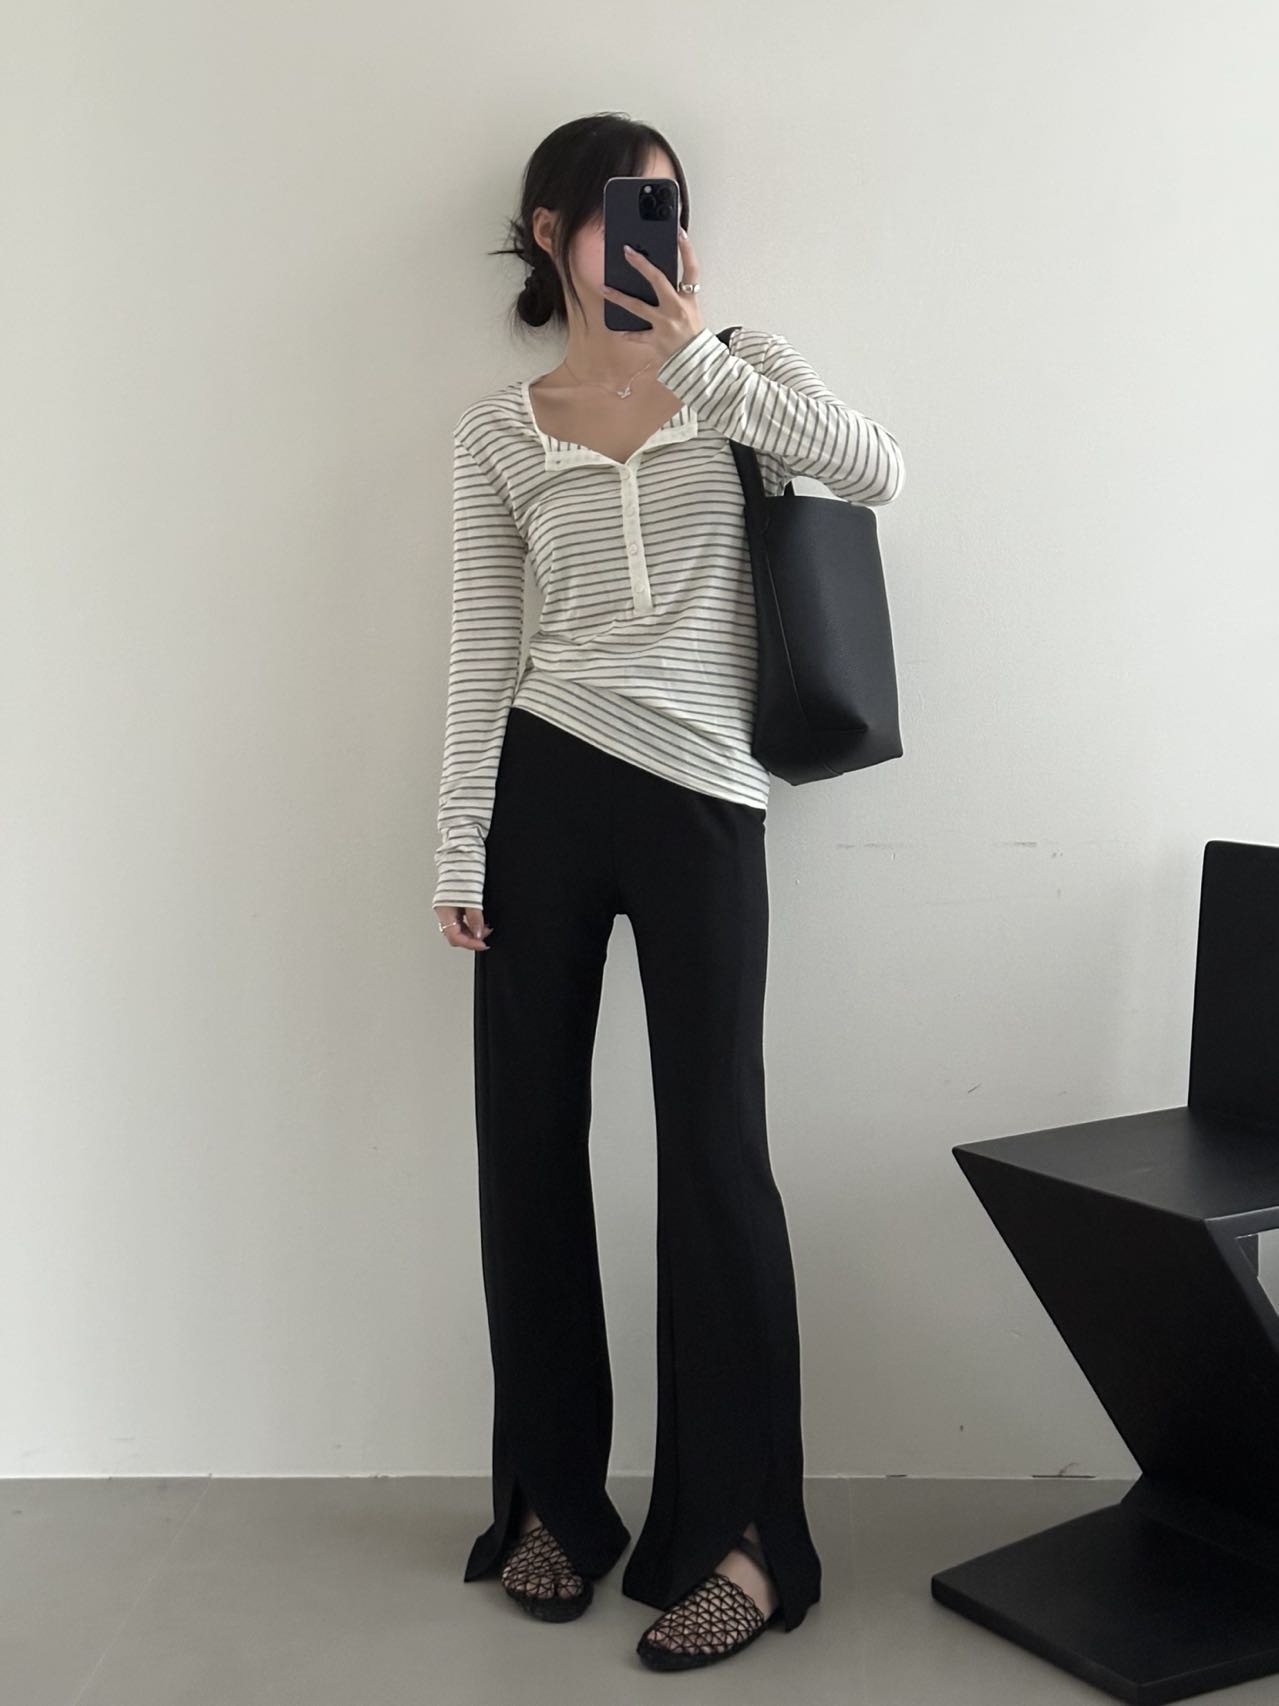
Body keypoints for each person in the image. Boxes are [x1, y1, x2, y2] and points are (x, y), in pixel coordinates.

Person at [432, 112, 905, 1672]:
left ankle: (746, 1539)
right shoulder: (501, 430)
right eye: (624, 202)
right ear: (551, 228)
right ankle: (554, 1505)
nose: (653, 223)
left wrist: (699, 356)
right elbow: (481, 651)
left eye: (670, 200)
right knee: (527, 1155)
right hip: (544, 790)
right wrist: (458, 842)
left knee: (717, 1161)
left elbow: (880, 468)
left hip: (704, 796)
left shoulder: (739, 368)